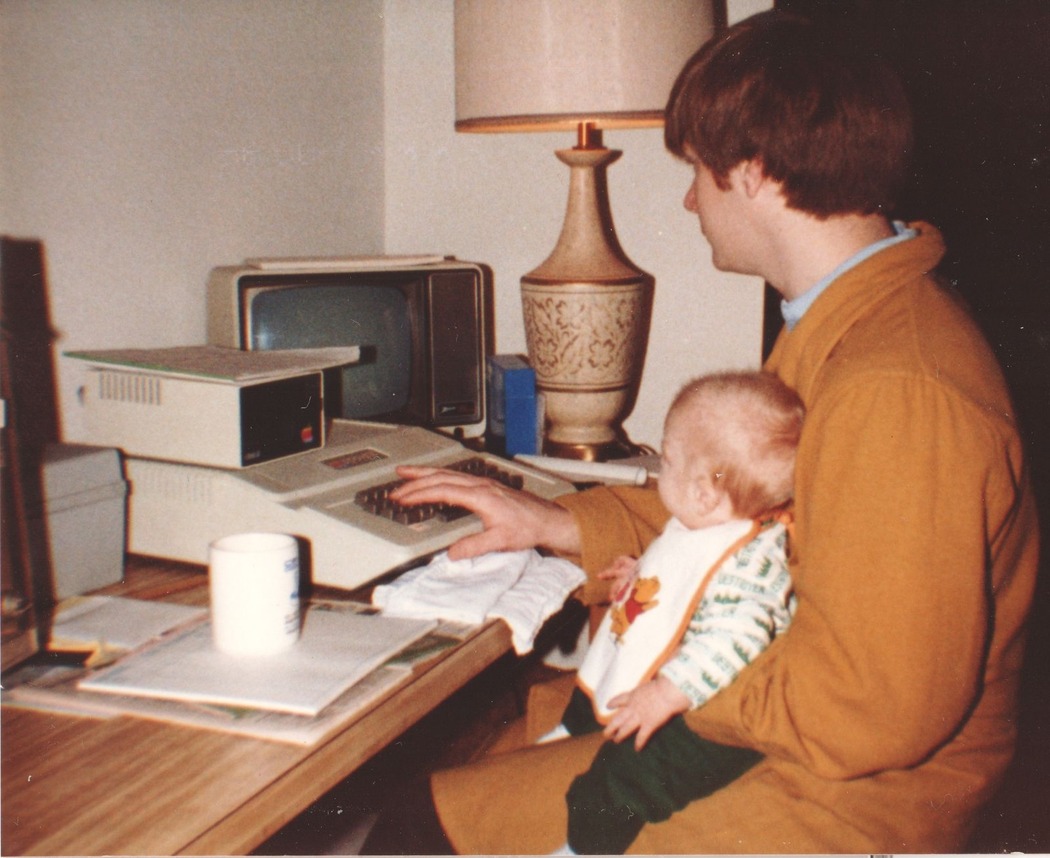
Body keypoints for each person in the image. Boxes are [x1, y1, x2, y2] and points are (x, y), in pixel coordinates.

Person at [363, 10, 1039, 854]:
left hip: (842, 794)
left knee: (423, 824)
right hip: (794, 741)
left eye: (697, 172)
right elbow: (744, 512)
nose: (688, 199)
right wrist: (552, 523)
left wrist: (677, 689)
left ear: (752, 172)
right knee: (482, 766)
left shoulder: (895, 386)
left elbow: (874, 703)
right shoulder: (847, 326)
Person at [546, 370, 802, 855]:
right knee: (601, 678)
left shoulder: (752, 566)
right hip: (686, 676)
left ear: (705, 493)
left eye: (667, 459)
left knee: (626, 776)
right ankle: (570, 735)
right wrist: (640, 572)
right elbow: (682, 572)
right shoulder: (708, 519)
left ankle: (586, 846)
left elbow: (735, 640)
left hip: (718, 702)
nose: (659, 470)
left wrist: (667, 693)